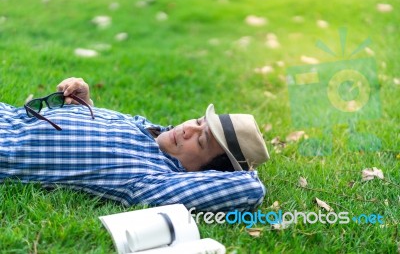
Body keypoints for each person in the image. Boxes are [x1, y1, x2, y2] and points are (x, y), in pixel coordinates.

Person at [0, 78, 270, 212]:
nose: (188, 129)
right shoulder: (147, 128)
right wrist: (84, 103)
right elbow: (96, 136)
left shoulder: (152, 179)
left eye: (201, 141)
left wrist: (241, 161)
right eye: (199, 122)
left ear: (201, 172)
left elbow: (250, 188)